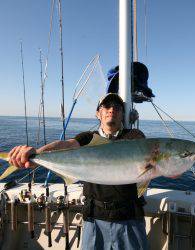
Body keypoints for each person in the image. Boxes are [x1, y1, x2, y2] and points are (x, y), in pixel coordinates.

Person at [8, 93, 149, 250]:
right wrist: (36, 155)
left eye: (117, 107)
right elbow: (66, 144)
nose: (111, 110)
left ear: (122, 114)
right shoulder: (88, 138)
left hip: (129, 217)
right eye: (106, 106)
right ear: (98, 113)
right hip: (94, 218)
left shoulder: (134, 136)